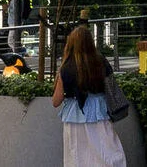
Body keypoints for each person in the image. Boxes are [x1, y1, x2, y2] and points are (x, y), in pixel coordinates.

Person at [51, 25, 126, 167]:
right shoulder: (100, 61)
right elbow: (110, 86)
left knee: (77, 157)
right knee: (106, 152)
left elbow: (56, 101)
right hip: (99, 112)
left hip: (74, 116)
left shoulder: (66, 67)